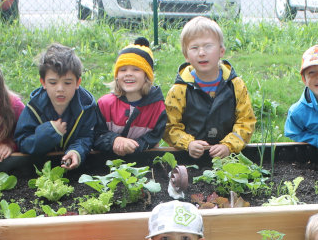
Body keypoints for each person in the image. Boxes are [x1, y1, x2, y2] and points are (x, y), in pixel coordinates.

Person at [164, 16, 256, 159]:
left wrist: (228, 145)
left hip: (229, 158)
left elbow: (246, 121)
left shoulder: (235, 85)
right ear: (186, 55)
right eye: (194, 48)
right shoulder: (179, 90)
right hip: (190, 158)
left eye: (208, 46)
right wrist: (188, 144)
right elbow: (169, 126)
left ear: (221, 51)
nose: (201, 53)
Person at [14, 43, 97, 169]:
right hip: (40, 167)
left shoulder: (87, 108)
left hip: (74, 169)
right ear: (43, 82)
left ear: (77, 82)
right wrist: (50, 132)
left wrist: (75, 152)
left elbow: (86, 137)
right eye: (53, 82)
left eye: (67, 83)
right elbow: (23, 142)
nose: (60, 89)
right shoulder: (33, 108)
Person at [94, 37, 167, 156]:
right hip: (107, 160)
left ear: (147, 76)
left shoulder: (157, 107)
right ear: (117, 76)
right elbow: (96, 135)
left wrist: (134, 147)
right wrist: (114, 140)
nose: (128, 74)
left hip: (142, 160)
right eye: (123, 70)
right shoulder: (105, 104)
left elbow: (154, 137)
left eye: (136, 69)